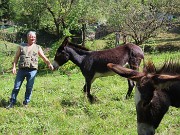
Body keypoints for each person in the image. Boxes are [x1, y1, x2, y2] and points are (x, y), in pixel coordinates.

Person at [6, 31, 54, 108]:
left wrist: (49, 64)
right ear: (28, 37)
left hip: (32, 70)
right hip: (21, 70)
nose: (33, 38)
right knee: (16, 87)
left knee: (29, 87)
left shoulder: (37, 47)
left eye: (34, 37)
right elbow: (16, 57)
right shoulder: (21, 46)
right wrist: (14, 67)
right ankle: (12, 102)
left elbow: (43, 57)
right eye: (31, 37)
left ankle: (26, 103)